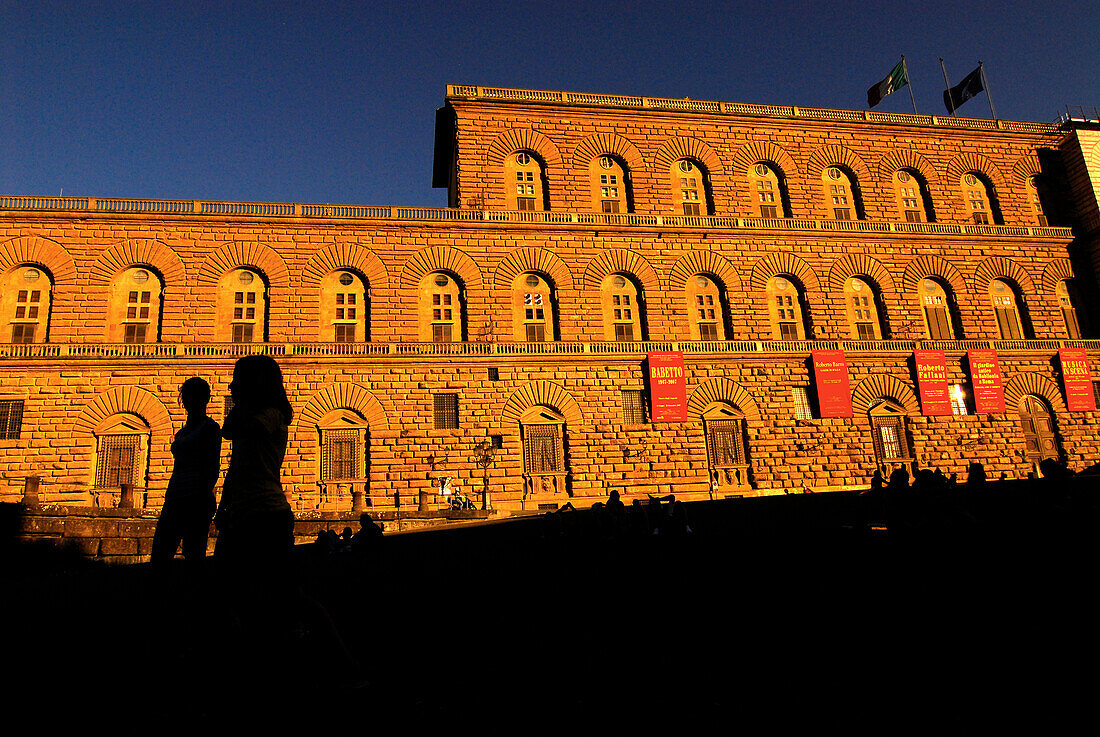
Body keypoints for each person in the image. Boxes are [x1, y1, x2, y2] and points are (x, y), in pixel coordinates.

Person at [214, 354, 295, 576]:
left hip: (266, 514)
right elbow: (235, 466)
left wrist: (240, 403)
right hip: (242, 512)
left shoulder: (271, 416)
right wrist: (224, 506)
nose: (232, 385)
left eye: (237, 379)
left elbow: (233, 430)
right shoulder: (253, 415)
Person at [151, 377, 221, 569]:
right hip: (175, 497)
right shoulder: (183, 432)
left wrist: (200, 494)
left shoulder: (210, 428)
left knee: (192, 555)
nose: (190, 401)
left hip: (195, 500)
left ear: (205, 399)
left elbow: (213, 469)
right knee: (162, 553)